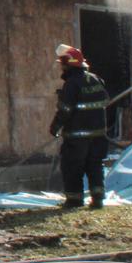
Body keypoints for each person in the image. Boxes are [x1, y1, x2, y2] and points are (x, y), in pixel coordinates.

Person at [49, 45, 110, 209]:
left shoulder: (71, 83)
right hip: (98, 135)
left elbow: (65, 109)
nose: (61, 67)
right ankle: (98, 198)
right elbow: (105, 101)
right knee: (95, 165)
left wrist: (55, 126)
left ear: (68, 64)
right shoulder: (96, 79)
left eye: (63, 64)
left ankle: (74, 200)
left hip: (77, 137)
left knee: (72, 167)